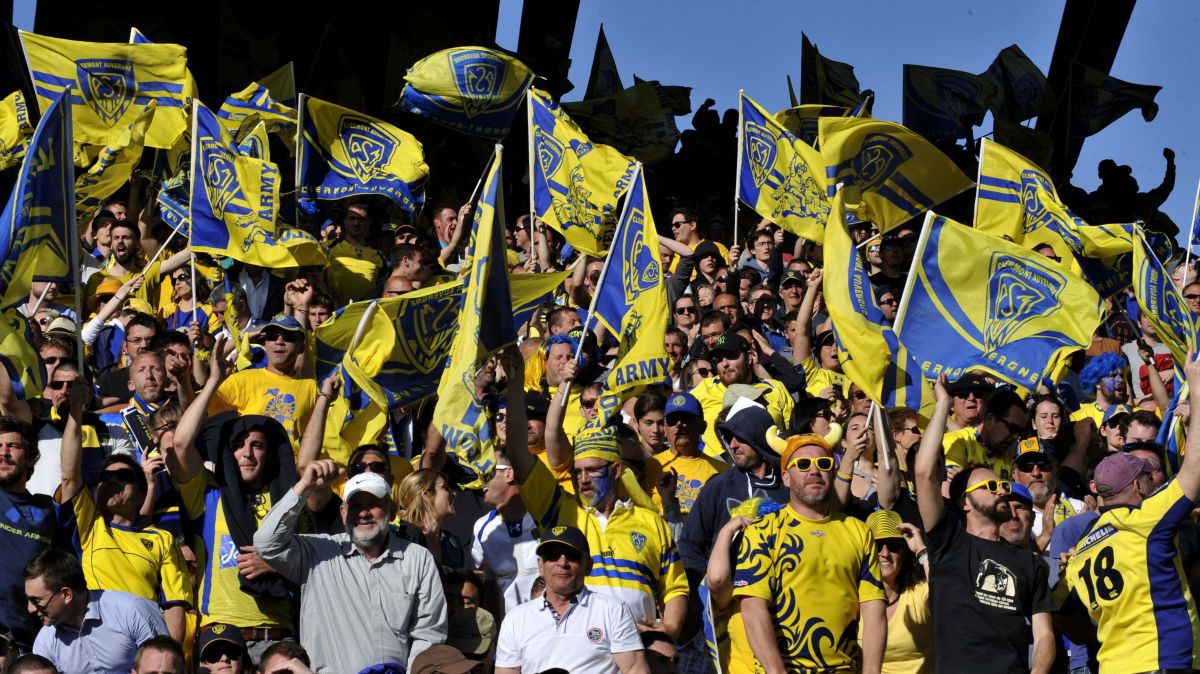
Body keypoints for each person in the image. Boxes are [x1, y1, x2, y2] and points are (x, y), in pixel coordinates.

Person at [1059, 357, 1200, 672]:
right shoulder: (1146, 518)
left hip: (1113, 665)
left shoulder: (1081, 549)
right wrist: (1197, 388)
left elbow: (1066, 616)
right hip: (1160, 662)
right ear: (1138, 484)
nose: (1156, 475)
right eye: (1148, 473)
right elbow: (1195, 468)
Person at [913, 378, 1054, 673]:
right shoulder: (948, 543)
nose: (1003, 490)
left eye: (1003, 484)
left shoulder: (1029, 563)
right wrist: (942, 405)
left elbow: (1044, 635)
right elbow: (925, 473)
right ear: (964, 502)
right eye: (991, 486)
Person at [254, 465, 448, 672]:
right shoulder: (318, 552)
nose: (364, 513)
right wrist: (303, 487)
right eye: (355, 506)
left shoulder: (417, 558)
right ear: (343, 513)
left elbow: (429, 633)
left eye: (373, 504)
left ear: (391, 510)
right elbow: (266, 544)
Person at [732, 434, 886, 673]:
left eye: (823, 464)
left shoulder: (859, 531)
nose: (814, 471)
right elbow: (753, 608)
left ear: (832, 473)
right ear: (786, 477)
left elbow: (874, 608)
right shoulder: (762, 531)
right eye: (803, 465)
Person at [58, 379, 190, 641]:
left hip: (146, 644)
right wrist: (75, 411)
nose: (112, 481)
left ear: (142, 493)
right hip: (97, 642)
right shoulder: (89, 525)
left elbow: (175, 603)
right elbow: (70, 476)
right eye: (105, 478)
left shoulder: (162, 539)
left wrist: (168, 659)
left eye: (123, 477)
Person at [493, 525, 649, 674]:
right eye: (552, 556)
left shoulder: (613, 610)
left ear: (588, 566)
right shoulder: (515, 619)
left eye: (572, 555)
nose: (562, 563)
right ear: (540, 566)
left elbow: (635, 670)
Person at [24, 548, 169, 673]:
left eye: (36, 601)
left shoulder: (133, 612)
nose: (30, 609)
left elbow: (166, 665)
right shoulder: (45, 641)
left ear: (66, 594)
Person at [0, 416, 63, 653]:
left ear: (30, 459)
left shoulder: (47, 510)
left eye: (13, 446)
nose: (4, 452)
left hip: (27, 638)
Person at [207, 315, 317, 450]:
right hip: (252, 465)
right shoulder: (241, 380)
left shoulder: (313, 389)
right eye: (272, 336)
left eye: (288, 336)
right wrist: (212, 380)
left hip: (292, 467)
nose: (279, 341)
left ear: (301, 347)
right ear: (265, 342)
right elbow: (195, 409)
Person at [860, 509, 933, 674]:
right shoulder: (854, 597)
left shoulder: (919, 592)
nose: (885, 553)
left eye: (893, 546)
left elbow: (945, 602)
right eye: (877, 546)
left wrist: (921, 550)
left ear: (905, 553)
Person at [472, 449, 539, 615]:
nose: (481, 481)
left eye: (487, 472)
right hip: (509, 631)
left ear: (509, 474)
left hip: (550, 627)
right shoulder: (482, 527)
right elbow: (483, 582)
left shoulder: (545, 516)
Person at [943, 388, 1028, 481]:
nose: (1016, 437)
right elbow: (950, 487)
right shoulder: (956, 441)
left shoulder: (1008, 458)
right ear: (990, 420)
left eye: (1020, 432)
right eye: (1013, 428)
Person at [397, 469, 466, 574]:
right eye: (445, 488)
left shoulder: (452, 542)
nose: (454, 494)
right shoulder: (403, 534)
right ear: (426, 495)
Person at [327, 204, 386, 305]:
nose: (356, 223)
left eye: (361, 219)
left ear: (369, 223)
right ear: (345, 222)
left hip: (366, 315)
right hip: (336, 313)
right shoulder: (328, 248)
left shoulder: (379, 255)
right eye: (352, 218)